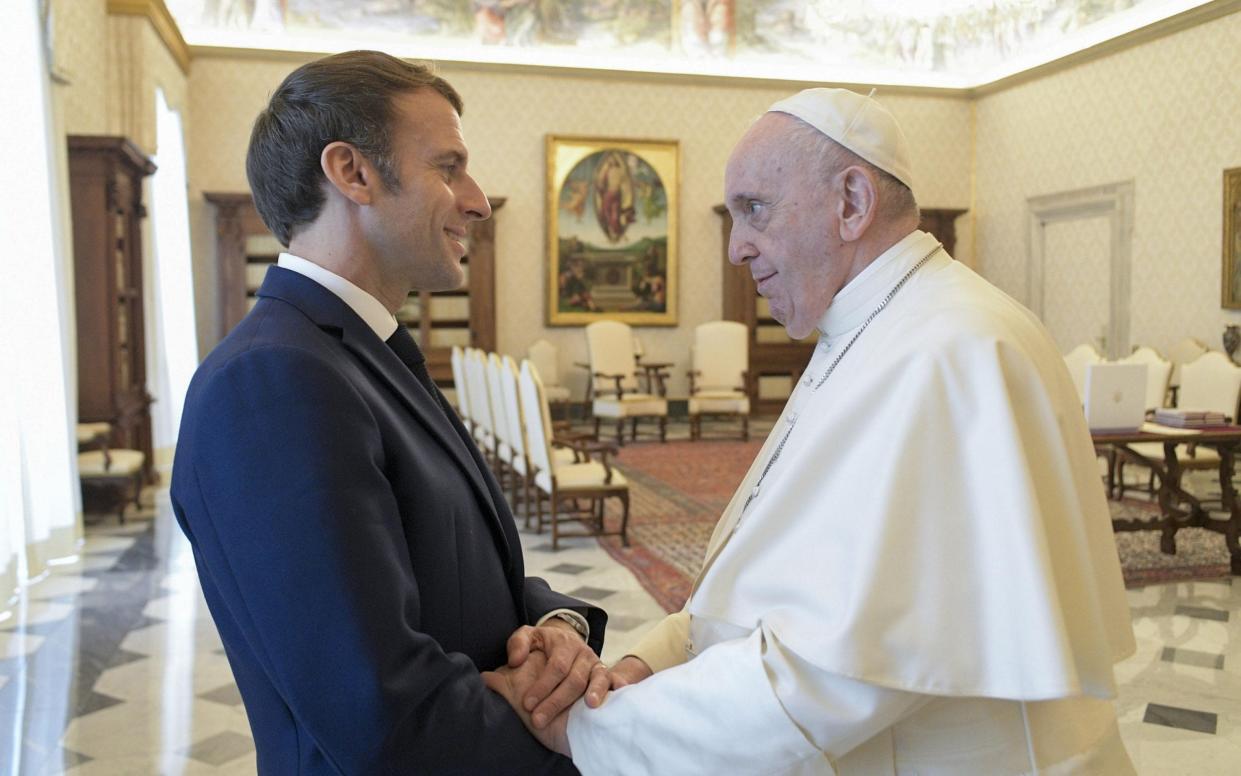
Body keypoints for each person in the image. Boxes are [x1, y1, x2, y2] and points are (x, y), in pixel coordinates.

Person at [485, 88, 1137, 774]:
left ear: (851, 202)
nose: (736, 247)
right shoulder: (876, 328)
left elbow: (836, 672)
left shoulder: (946, 351)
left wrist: (595, 732)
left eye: (753, 209)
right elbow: (789, 582)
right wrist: (652, 658)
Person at [171, 50, 607, 774]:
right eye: (448, 166)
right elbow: (379, 714)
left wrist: (554, 628)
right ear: (352, 173)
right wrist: (588, 734)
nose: (478, 200)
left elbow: (450, 575)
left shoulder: (356, 351)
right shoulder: (272, 381)